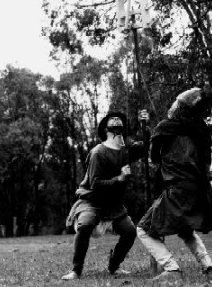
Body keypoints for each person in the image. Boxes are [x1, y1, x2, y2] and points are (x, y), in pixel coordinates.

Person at [137, 87, 212, 283]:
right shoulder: (202, 130)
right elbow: (206, 162)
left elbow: (154, 158)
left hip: (178, 188)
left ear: (178, 106)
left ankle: (171, 268)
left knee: (143, 229)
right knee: (185, 228)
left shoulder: (166, 126)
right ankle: (208, 266)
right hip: (199, 189)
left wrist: (153, 137)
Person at [62, 112, 148, 280]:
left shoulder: (125, 150)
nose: (116, 119)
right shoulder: (97, 153)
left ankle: (113, 266)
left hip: (114, 205)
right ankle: (76, 270)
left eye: (119, 119)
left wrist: (145, 125)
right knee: (85, 225)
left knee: (130, 231)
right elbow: (95, 185)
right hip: (92, 201)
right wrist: (120, 178)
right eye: (112, 118)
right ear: (105, 128)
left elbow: (145, 147)